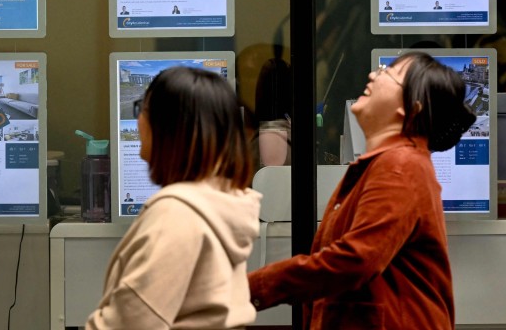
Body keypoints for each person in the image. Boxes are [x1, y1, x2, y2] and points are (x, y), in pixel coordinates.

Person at [247, 51, 475, 329]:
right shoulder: (383, 164)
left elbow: (354, 260)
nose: (373, 75)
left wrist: (251, 287)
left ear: (410, 108)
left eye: (388, 74)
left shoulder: (400, 166)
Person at [86, 67, 261, 329]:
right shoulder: (221, 201)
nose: (138, 122)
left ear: (168, 127)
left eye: (141, 109)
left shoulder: (177, 215)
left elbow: (131, 322)